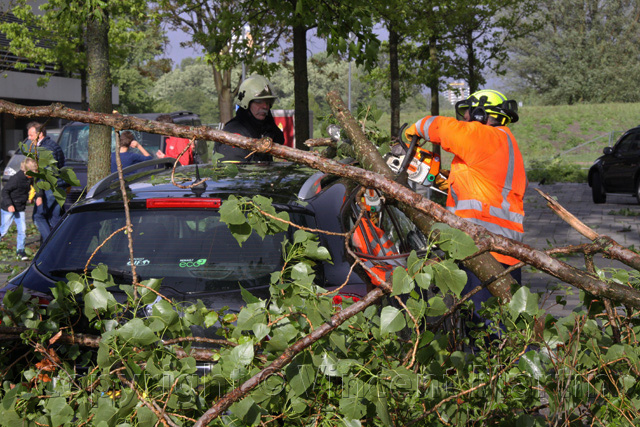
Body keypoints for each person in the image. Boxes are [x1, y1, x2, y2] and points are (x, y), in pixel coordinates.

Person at [405, 89, 527, 325]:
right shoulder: (505, 143)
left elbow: (440, 127)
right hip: (508, 252)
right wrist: (445, 179)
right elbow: (486, 185)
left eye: (470, 112)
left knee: (482, 327)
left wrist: (412, 131)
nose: (467, 118)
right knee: (507, 324)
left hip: (481, 249)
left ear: (482, 115)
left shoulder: (484, 135)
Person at [215, 74, 284, 162]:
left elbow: (280, 140)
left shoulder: (263, 128)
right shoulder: (234, 131)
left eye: (268, 102)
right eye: (259, 101)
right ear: (246, 104)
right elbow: (234, 173)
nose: (265, 106)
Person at [26, 121, 66, 243]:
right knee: (55, 218)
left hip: (49, 189)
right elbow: (62, 165)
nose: (29, 138)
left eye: (31, 135)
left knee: (38, 216)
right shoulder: (54, 145)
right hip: (59, 186)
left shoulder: (44, 149)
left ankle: (49, 245)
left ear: (40, 134)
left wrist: (39, 195)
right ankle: (59, 244)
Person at [1, 157, 38, 260]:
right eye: (34, 171)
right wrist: (9, 205)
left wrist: (33, 197)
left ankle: (20, 251)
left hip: (20, 207)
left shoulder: (30, 178)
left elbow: (34, 187)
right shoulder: (16, 179)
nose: (36, 173)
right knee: (4, 229)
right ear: (27, 170)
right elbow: (5, 191)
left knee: (22, 230)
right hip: (8, 208)